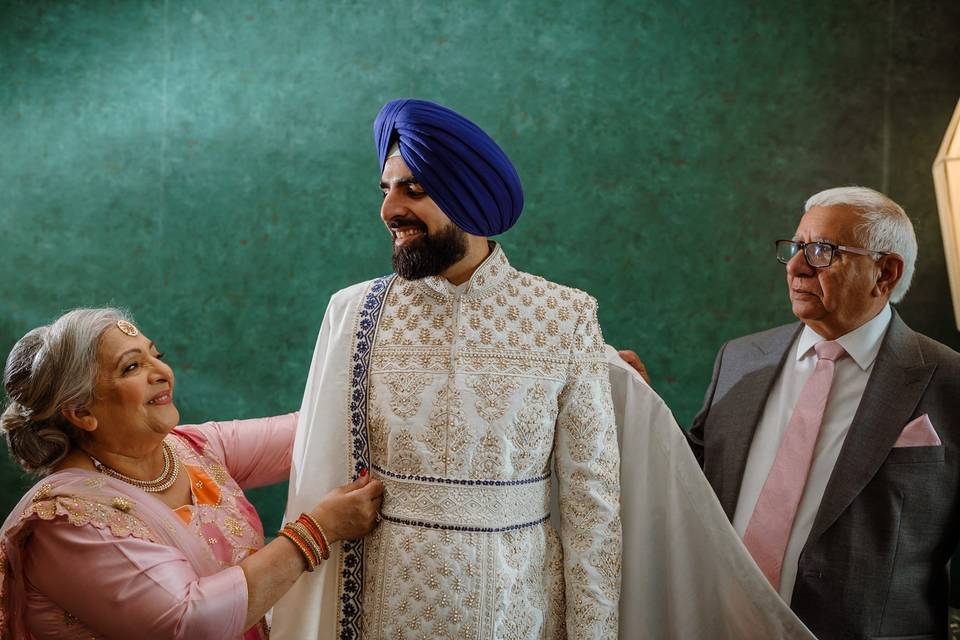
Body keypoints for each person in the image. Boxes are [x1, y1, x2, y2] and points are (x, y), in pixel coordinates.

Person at [271, 99, 621, 639]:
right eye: (385, 190)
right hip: (379, 618)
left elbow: (592, 507)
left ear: (470, 199)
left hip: (517, 617)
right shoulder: (354, 313)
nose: (390, 210)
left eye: (413, 189)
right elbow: (318, 471)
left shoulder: (564, 317)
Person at [0, 308, 384, 639]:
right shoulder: (68, 521)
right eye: (132, 367)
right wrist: (319, 530)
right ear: (81, 412)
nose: (162, 373)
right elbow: (186, 623)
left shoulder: (191, 448)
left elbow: (312, 431)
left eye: (156, 355)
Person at [689, 186, 960, 639]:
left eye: (821, 251)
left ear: (885, 272)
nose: (795, 266)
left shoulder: (950, 383)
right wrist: (639, 402)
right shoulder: (740, 359)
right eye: (796, 248)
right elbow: (691, 478)